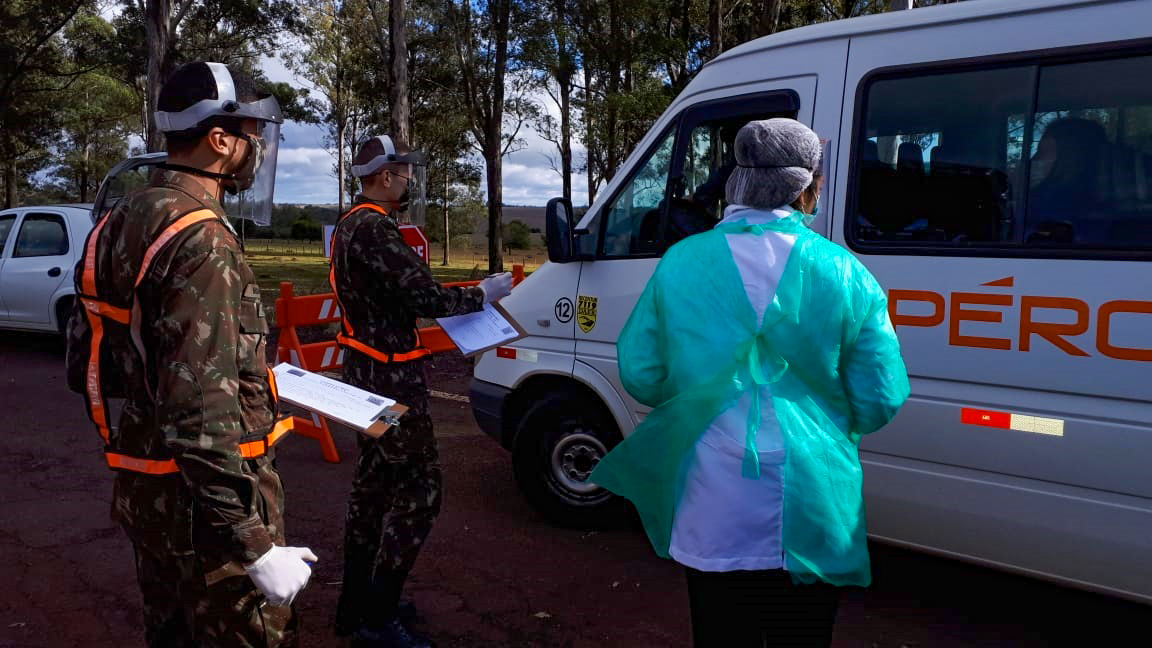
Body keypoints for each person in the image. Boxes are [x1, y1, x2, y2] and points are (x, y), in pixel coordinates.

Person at [589, 118, 910, 647]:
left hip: (712, 496)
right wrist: (831, 425)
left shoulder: (681, 261)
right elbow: (882, 395)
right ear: (808, 186)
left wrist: (696, 397)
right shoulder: (844, 269)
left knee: (721, 633)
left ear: (738, 181)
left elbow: (641, 373)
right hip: (813, 493)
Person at [65, 62, 316, 647]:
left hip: (148, 493)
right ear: (220, 140)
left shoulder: (123, 215)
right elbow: (198, 414)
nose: (258, 147)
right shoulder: (202, 239)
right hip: (207, 518)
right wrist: (254, 546)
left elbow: (92, 364)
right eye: (251, 133)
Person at [330, 135, 513, 648]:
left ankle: (356, 605)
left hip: (368, 378)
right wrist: (482, 294)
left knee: (372, 487)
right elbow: (426, 297)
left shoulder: (350, 225)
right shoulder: (375, 229)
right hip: (392, 387)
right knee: (420, 491)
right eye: (405, 173)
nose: (410, 181)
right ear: (385, 176)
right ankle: (377, 615)